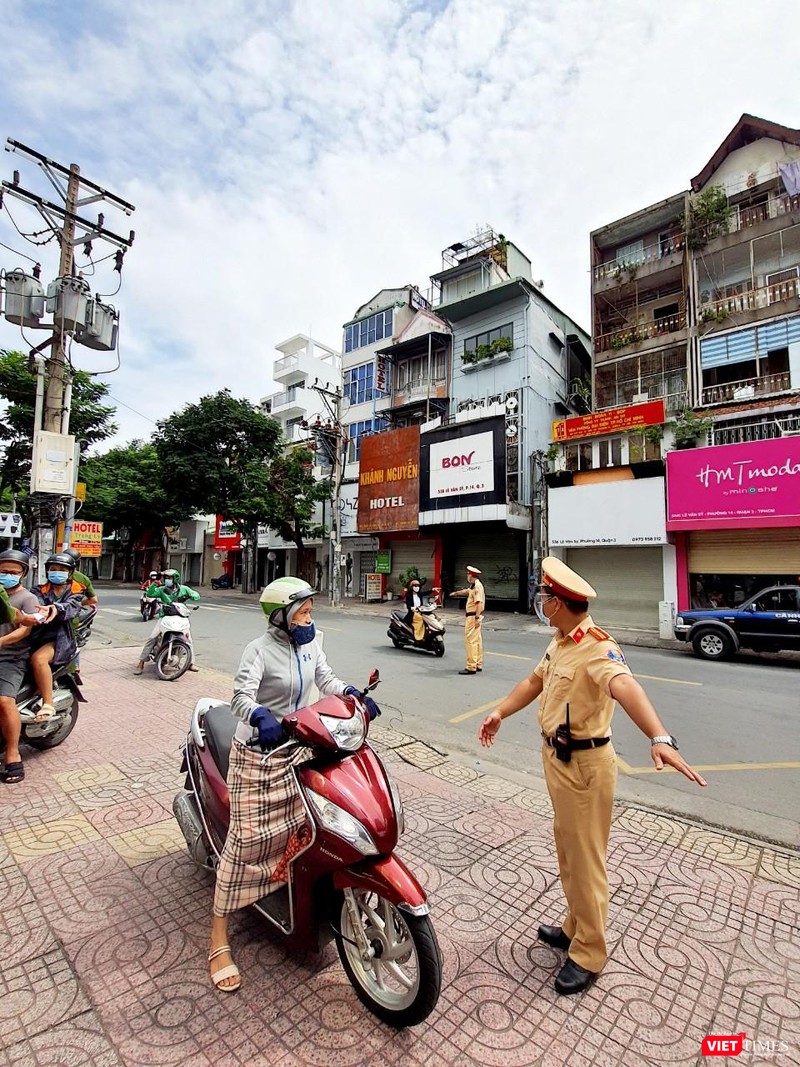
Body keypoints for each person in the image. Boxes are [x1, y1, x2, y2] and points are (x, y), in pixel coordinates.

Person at [479, 557, 706, 995]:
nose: (541, 601)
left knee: (586, 861)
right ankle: (575, 926)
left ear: (559, 603)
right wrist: (500, 711)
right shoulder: (562, 641)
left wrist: (660, 737)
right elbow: (534, 682)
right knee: (569, 851)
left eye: (545, 596)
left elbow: (625, 686)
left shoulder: (598, 648)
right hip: (558, 760)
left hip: (585, 767)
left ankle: (589, 953)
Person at [207, 576, 379, 992]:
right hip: (261, 754)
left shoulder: (311, 643)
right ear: (280, 616)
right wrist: (259, 716)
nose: (308, 619)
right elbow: (240, 697)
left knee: (313, 825)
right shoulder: (258, 650)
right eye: (302, 613)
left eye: (310, 611)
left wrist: (352, 695)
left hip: (301, 747)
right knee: (247, 841)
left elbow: (326, 678)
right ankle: (218, 937)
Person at [0, 550, 47, 784]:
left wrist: (0, 642)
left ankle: (12, 754)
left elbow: (24, 629)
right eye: (3, 571)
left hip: (11, 657)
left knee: (4, 701)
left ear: (22, 574)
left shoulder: (27, 598)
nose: (7, 575)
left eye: (13, 572)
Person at [30, 553, 84, 720]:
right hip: (35, 636)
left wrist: (55, 608)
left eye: (62, 570)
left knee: (38, 659)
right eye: (53, 569)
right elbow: (34, 605)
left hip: (59, 639)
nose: (57, 572)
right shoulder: (38, 590)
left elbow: (71, 607)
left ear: (70, 572)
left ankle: (48, 703)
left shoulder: (76, 592)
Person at [133, 569, 200, 674]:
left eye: (169, 578)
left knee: (189, 640)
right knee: (152, 638)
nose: (167, 580)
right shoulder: (162, 590)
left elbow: (196, 596)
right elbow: (150, 594)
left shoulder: (184, 589)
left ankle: (190, 663)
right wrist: (155, 583)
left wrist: (189, 596)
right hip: (165, 617)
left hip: (180, 617)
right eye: (166, 578)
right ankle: (141, 662)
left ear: (175, 579)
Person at [451, 565, 485, 675]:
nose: (467, 576)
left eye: (468, 574)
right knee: (477, 641)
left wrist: (476, 618)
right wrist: (456, 593)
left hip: (473, 616)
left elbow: (478, 603)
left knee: (470, 641)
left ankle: (471, 666)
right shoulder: (474, 585)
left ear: (471, 575)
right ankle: (478, 663)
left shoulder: (477, 586)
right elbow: (468, 591)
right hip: (475, 616)